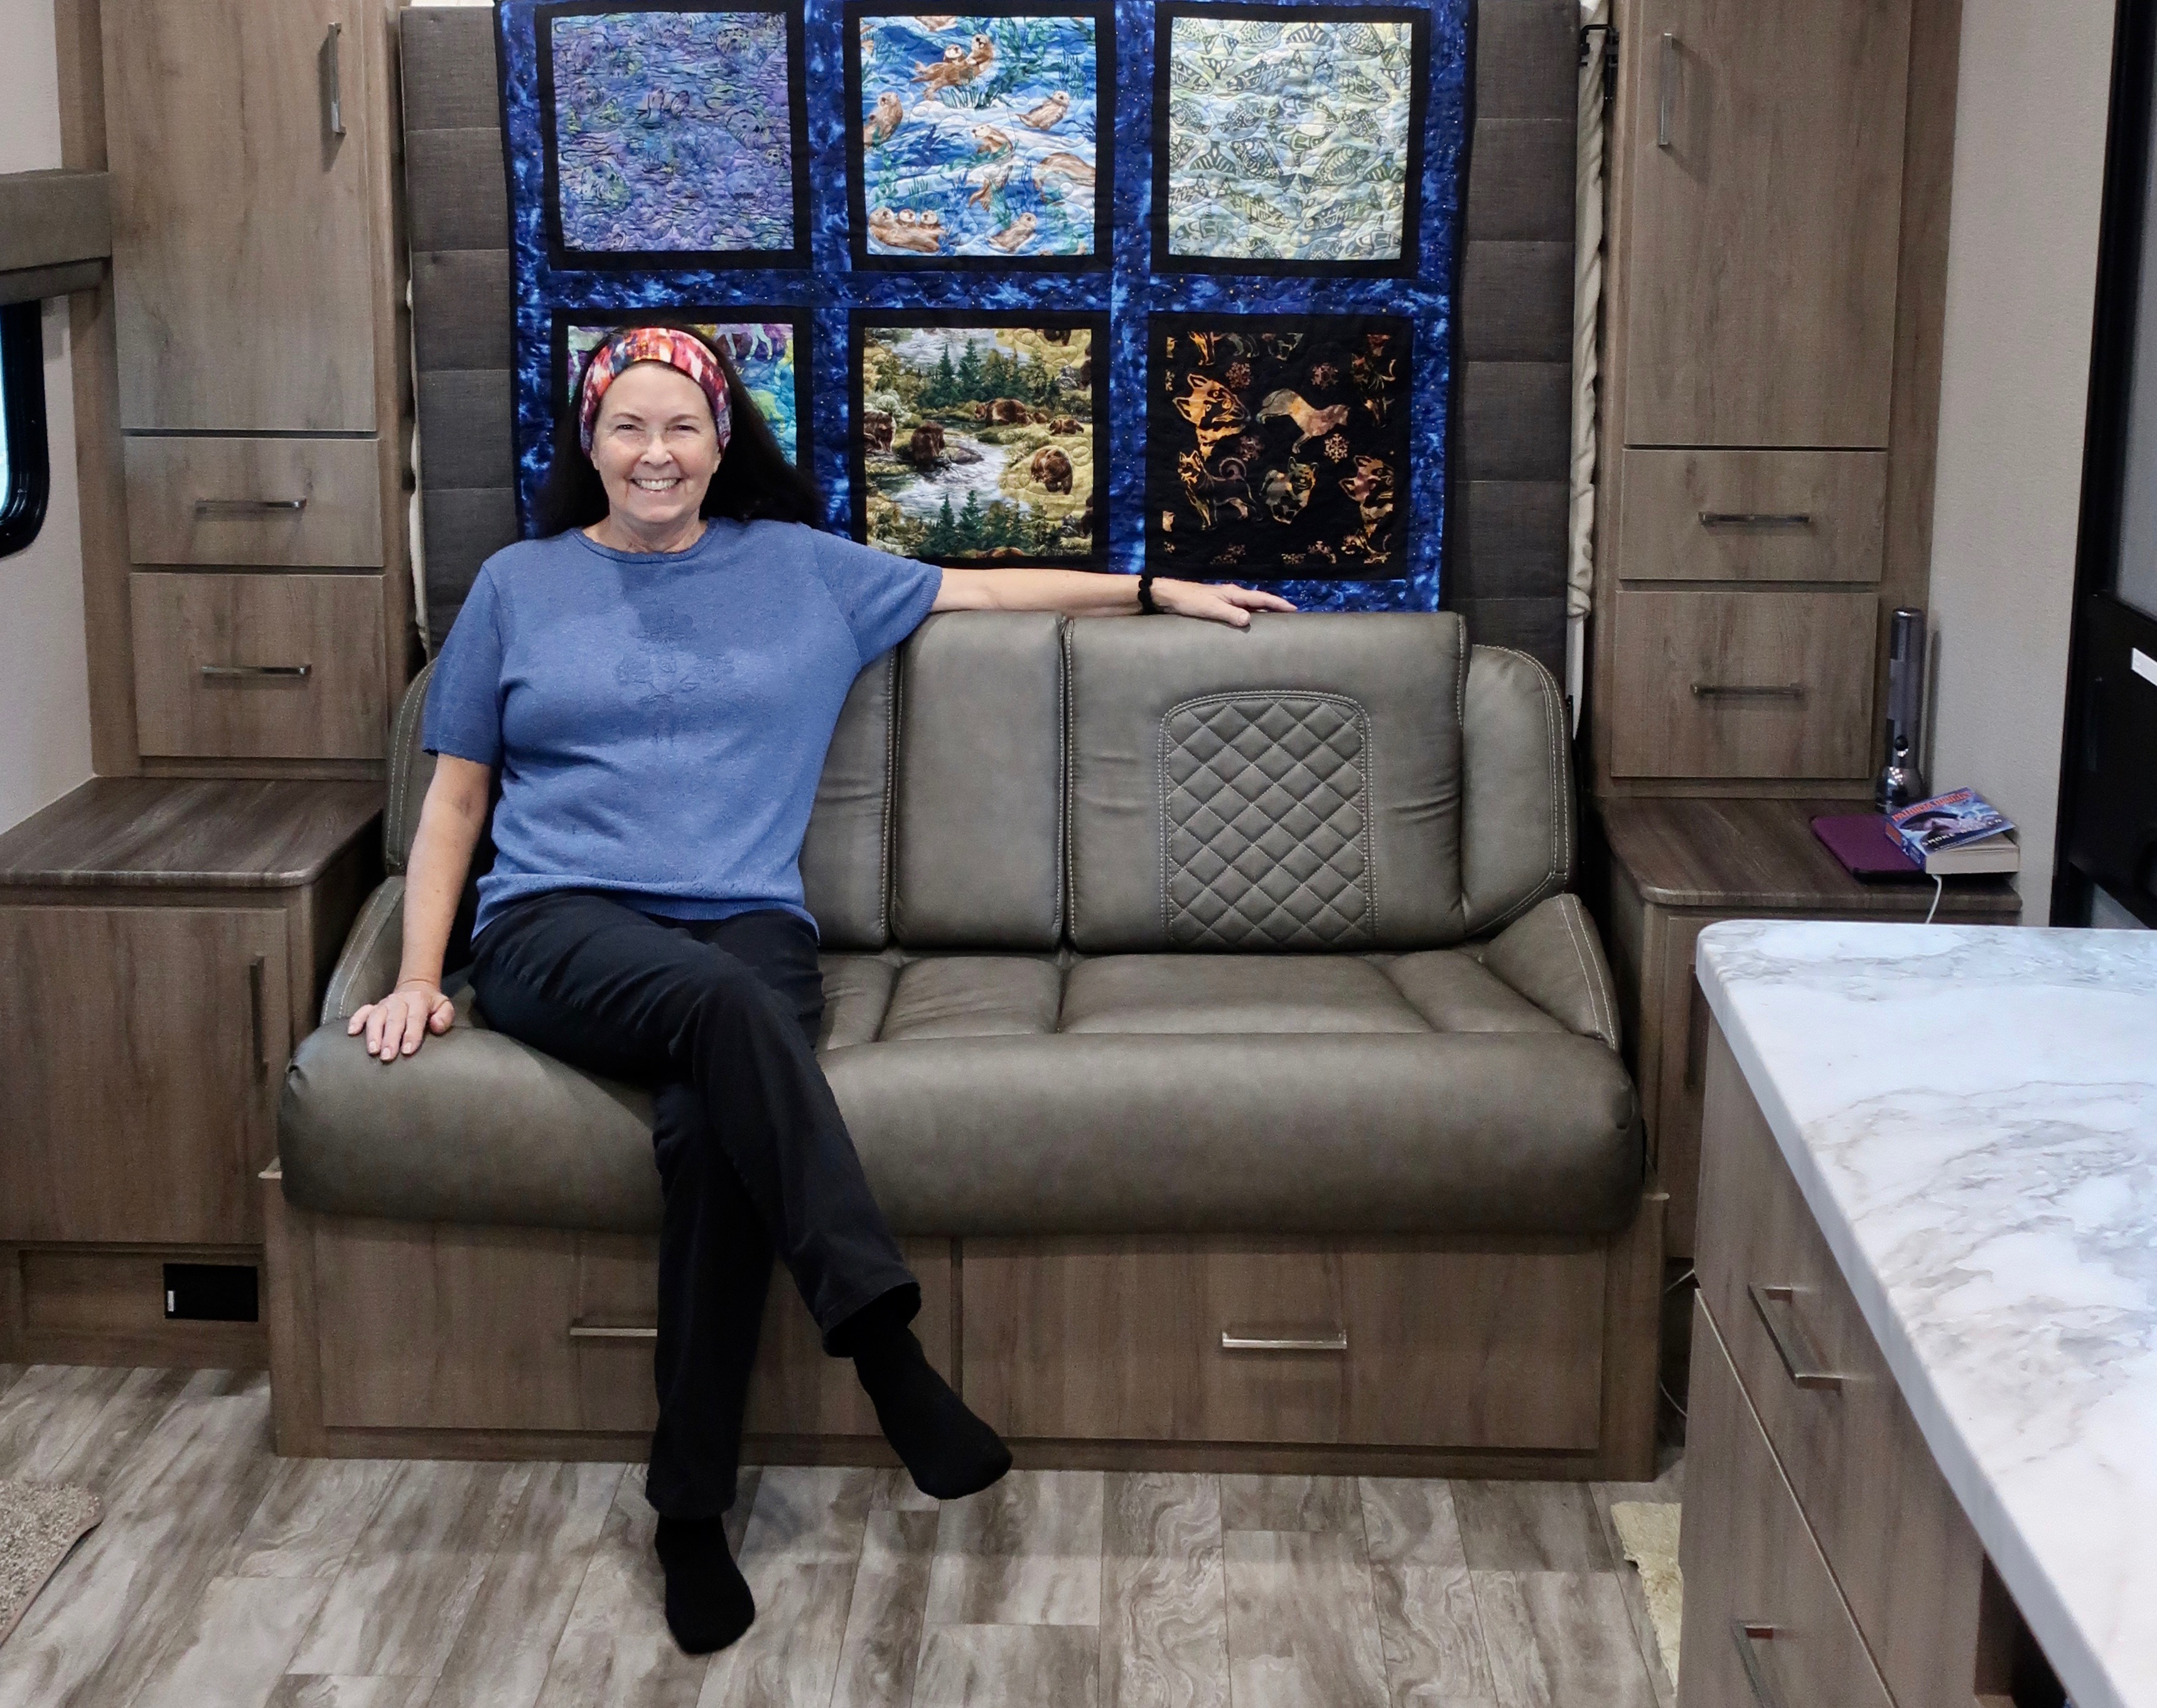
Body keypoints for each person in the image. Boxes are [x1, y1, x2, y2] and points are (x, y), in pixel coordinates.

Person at [347, 323, 1294, 1653]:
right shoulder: (519, 583)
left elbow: (980, 591)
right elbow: (455, 800)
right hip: (558, 924)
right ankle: (890, 1361)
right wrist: (417, 975)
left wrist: (1153, 589)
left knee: (710, 1133)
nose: (656, 451)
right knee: (730, 1013)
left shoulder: (799, 568)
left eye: (682, 425)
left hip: (744, 920)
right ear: (589, 443)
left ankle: (687, 1511)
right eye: (627, 426)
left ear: (722, 439)